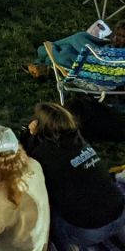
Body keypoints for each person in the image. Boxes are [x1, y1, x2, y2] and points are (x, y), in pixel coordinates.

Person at [20, 103, 125, 250]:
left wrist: (30, 135)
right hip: (120, 213)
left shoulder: (43, 155)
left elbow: (28, 157)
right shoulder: (78, 138)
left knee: (51, 219)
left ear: (41, 126)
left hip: (90, 229)